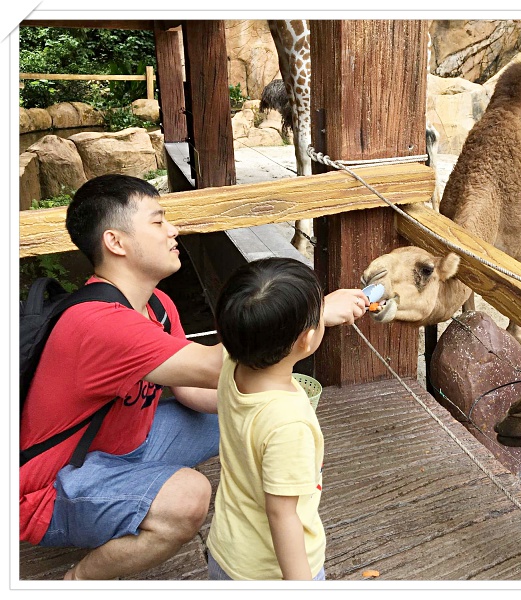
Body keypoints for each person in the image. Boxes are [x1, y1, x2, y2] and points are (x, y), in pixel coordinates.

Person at [19, 174, 369, 580]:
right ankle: (78, 581)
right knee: (190, 496)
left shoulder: (157, 303)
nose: (174, 230)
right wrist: (314, 313)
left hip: (124, 442)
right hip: (50, 486)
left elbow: (190, 387)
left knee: (248, 410)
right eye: (158, 221)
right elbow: (235, 361)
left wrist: (274, 425)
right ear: (116, 242)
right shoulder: (99, 324)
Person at [207, 257, 337, 580]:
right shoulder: (288, 423)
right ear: (307, 340)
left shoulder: (232, 363)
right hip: (268, 574)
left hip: (227, 553)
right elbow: (282, 516)